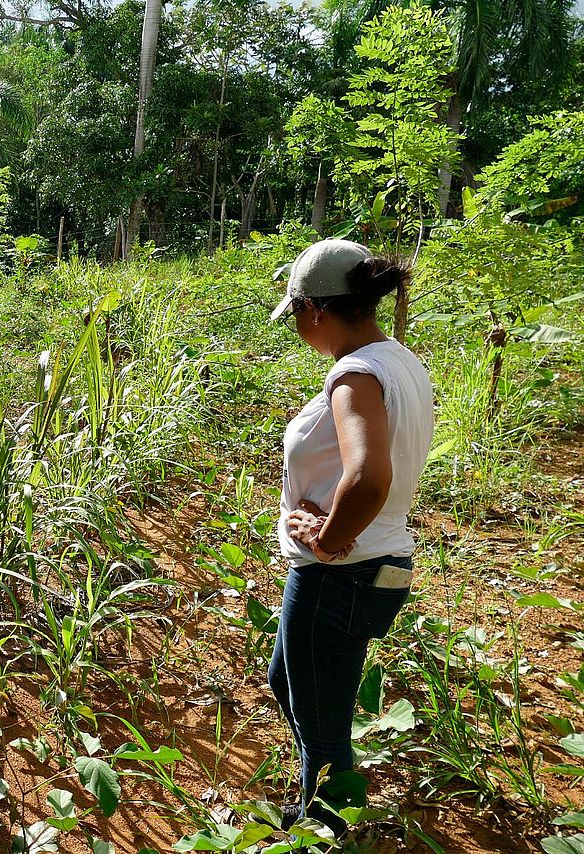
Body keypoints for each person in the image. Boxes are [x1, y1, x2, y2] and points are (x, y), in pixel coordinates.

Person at [265, 239, 434, 835]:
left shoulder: (354, 375)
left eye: (297, 318)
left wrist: (330, 537)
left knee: (323, 715)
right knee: (290, 682)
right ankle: (320, 798)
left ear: (314, 309)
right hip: (375, 564)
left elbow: (368, 477)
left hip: (343, 571)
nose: (299, 330)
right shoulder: (398, 359)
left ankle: (325, 825)